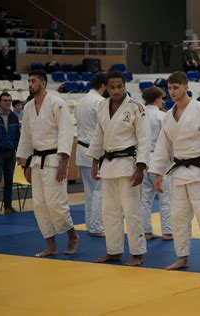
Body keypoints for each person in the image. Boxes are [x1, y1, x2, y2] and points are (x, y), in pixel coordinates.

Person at [149, 71, 200, 274]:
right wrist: (157, 173)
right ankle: (182, 257)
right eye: (169, 88)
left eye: (176, 87)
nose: (172, 92)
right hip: (178, 172)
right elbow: (162, 146)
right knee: (178, 218)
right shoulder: (168, 116)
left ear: (186, 86)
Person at [86, 71, 149, 266]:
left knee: (131, 211)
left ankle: (137, 253)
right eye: (112, 87)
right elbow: (98, 136)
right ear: (106, 87)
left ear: (124, 86)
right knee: (109, 212)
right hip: (109, 165)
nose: (116, 90)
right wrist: (95, 161)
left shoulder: (136, 107)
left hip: (128, 164)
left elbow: (145, 139)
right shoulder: (102, 106)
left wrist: (140, 167)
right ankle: (113, 251)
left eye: (119, 86)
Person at [16, 69, 79, 258]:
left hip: (54, 160)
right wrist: (25, 164)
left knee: (56, 204)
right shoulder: (28, 107)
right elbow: (26, 136)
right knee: (40, 205)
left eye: (33, 81)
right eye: (29, 81)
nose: (30, 84)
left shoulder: (57, 103)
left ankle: (72, 236)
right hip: (36, 161)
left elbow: (66, 133)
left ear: (43, 83)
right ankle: (50, 245)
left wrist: (64, 163)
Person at [74, 73, 107, 237]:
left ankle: (90, 224)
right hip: (95, 151)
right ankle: (96, 226)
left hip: (81, 148)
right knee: (99, 190)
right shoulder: (100, 102)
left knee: (89, 190)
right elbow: (104, 127)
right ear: (103, 86)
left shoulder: (81, 101)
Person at [140, 86, 172, 241]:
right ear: (158, 98)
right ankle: (168, 231)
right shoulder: (162, 116)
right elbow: (168, 140)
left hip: (141, 159)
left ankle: (145, 231)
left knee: (144, 199)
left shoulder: (138, 115)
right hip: (159, 159)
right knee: (166, 197)